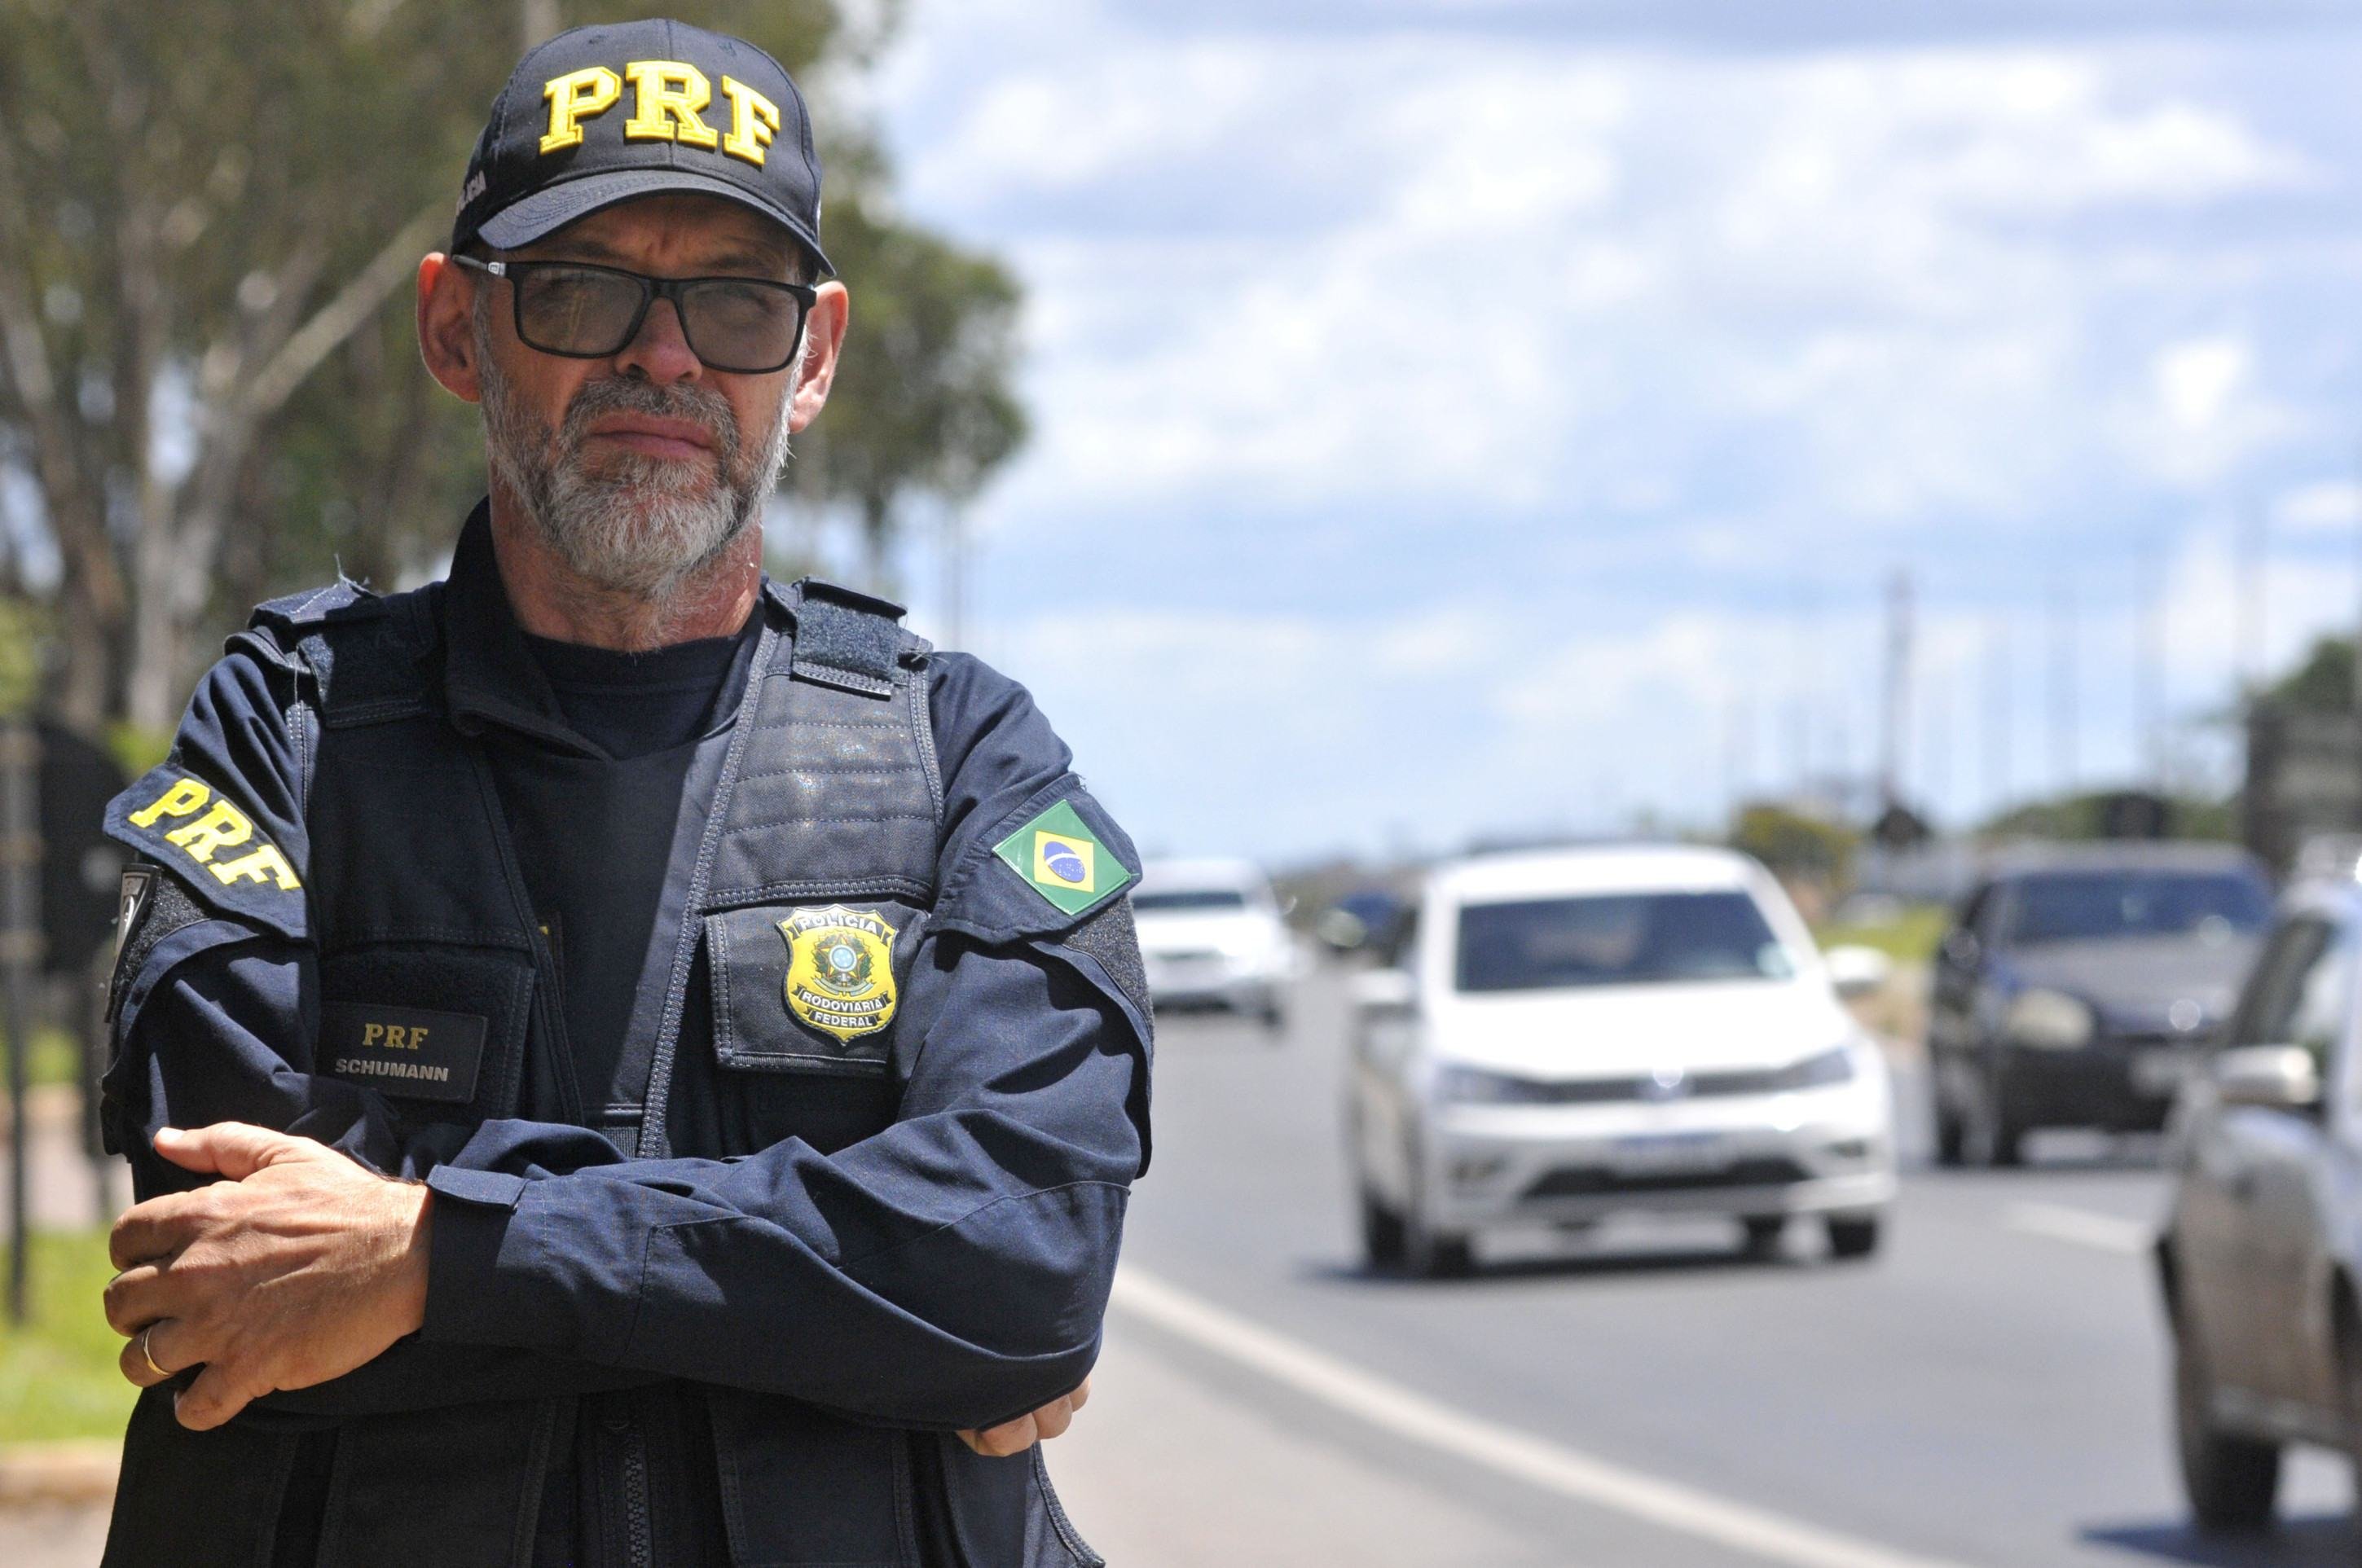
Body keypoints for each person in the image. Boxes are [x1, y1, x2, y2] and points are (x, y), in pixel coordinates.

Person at [92, 19, 1150, 1567]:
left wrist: (434, 1252)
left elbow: (1021, 1271)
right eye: (583, 290)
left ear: (816, 356)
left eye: (736, 302)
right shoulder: (290, 737)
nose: (664, 356)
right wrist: (862, 1295)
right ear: (457, 328)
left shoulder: (959, 758)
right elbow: (235, 1269)